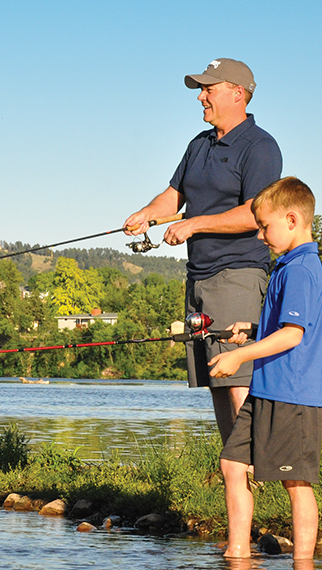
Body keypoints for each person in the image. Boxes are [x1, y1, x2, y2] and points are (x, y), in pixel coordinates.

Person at [124, 58, 282, 443]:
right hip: (199, 278)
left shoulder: (260, 147)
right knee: (215, 377)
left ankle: (254, 468)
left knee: (238, 377)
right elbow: (174, 195)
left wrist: (193, 224)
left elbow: (255, 213)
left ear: (238, 94)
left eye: (209, 89)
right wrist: (147, 213)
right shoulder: (199, 145)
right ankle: (235, 471)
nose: (201, 97)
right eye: (201, 89)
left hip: (239, 274)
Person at [208, 176, 322, 559]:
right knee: (231, 463)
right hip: (266, 390)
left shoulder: (301, 269)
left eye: (264, 227)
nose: (260, 236)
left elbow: (294, 335)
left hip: (291, 394)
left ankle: (303, 562)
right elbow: (285, 327)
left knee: (296, 481)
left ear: (292, 220)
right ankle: (238, 551)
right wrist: (255, 330)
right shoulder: (287, 266)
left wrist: (240, 356)